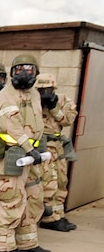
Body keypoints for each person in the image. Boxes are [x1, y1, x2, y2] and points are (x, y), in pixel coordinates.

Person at [0, 54, 53, 252]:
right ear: (12, 72)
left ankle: (28, 242)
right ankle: (2, 246)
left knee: (33, 199)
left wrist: (40, 150)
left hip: (32, 157)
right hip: (12, 155)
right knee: (10, 200)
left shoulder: (34, 94)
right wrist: (27, 147)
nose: (23, 73)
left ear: (36, 73)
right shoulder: (6, 95)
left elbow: (38, 124)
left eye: (28, 69)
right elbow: (12, 125)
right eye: (18, 69)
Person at [36, 73, 79, 232]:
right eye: (41, 90)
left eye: (48, 89)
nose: (44, 93)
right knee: (49, 182)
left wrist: (54, 108)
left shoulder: (62, 100)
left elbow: (67, 120)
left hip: (58, 146)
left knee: (61, 181)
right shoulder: (31, 102)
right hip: (43, 146)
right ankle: (49, 218)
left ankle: (58, 215)